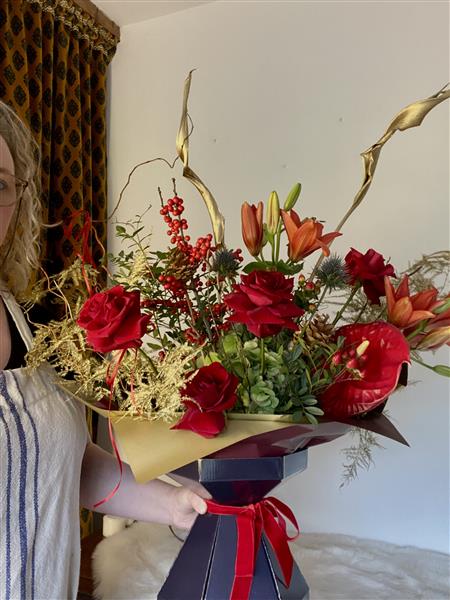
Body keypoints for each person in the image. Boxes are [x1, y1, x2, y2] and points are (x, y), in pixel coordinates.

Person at [0, 101, 208, 600]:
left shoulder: (31, 321)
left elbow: (60, 465)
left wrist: (173, 503)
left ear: (19, 198)